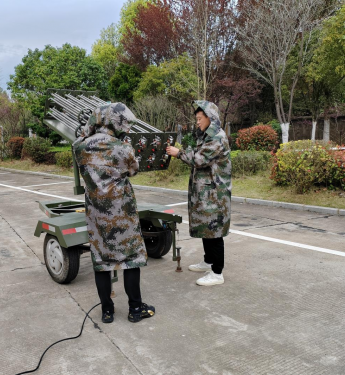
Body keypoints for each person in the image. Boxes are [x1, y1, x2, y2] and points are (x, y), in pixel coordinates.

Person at [73, 102, 155, 323]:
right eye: (124, 124)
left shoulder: (79, 147)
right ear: (114, 122)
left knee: (101, 260)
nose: (125, 129)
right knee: (131, 259)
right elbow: (133, 170)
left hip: (96, 215)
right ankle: (135, 310)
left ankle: (107, 312)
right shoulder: (122, 148)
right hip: (122, 213)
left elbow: (80, 139)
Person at [166, 100, 231, 286]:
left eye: (200, 119)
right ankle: (208, 262)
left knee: (215, 231)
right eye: (196, 119)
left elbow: (199, 159)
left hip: (215, 195)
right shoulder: (206, 136)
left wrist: (178, 153)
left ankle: (217, 273)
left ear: (210, 118)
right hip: (206, 193)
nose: (197, 122)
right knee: (206, 228)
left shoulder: (217, 138)